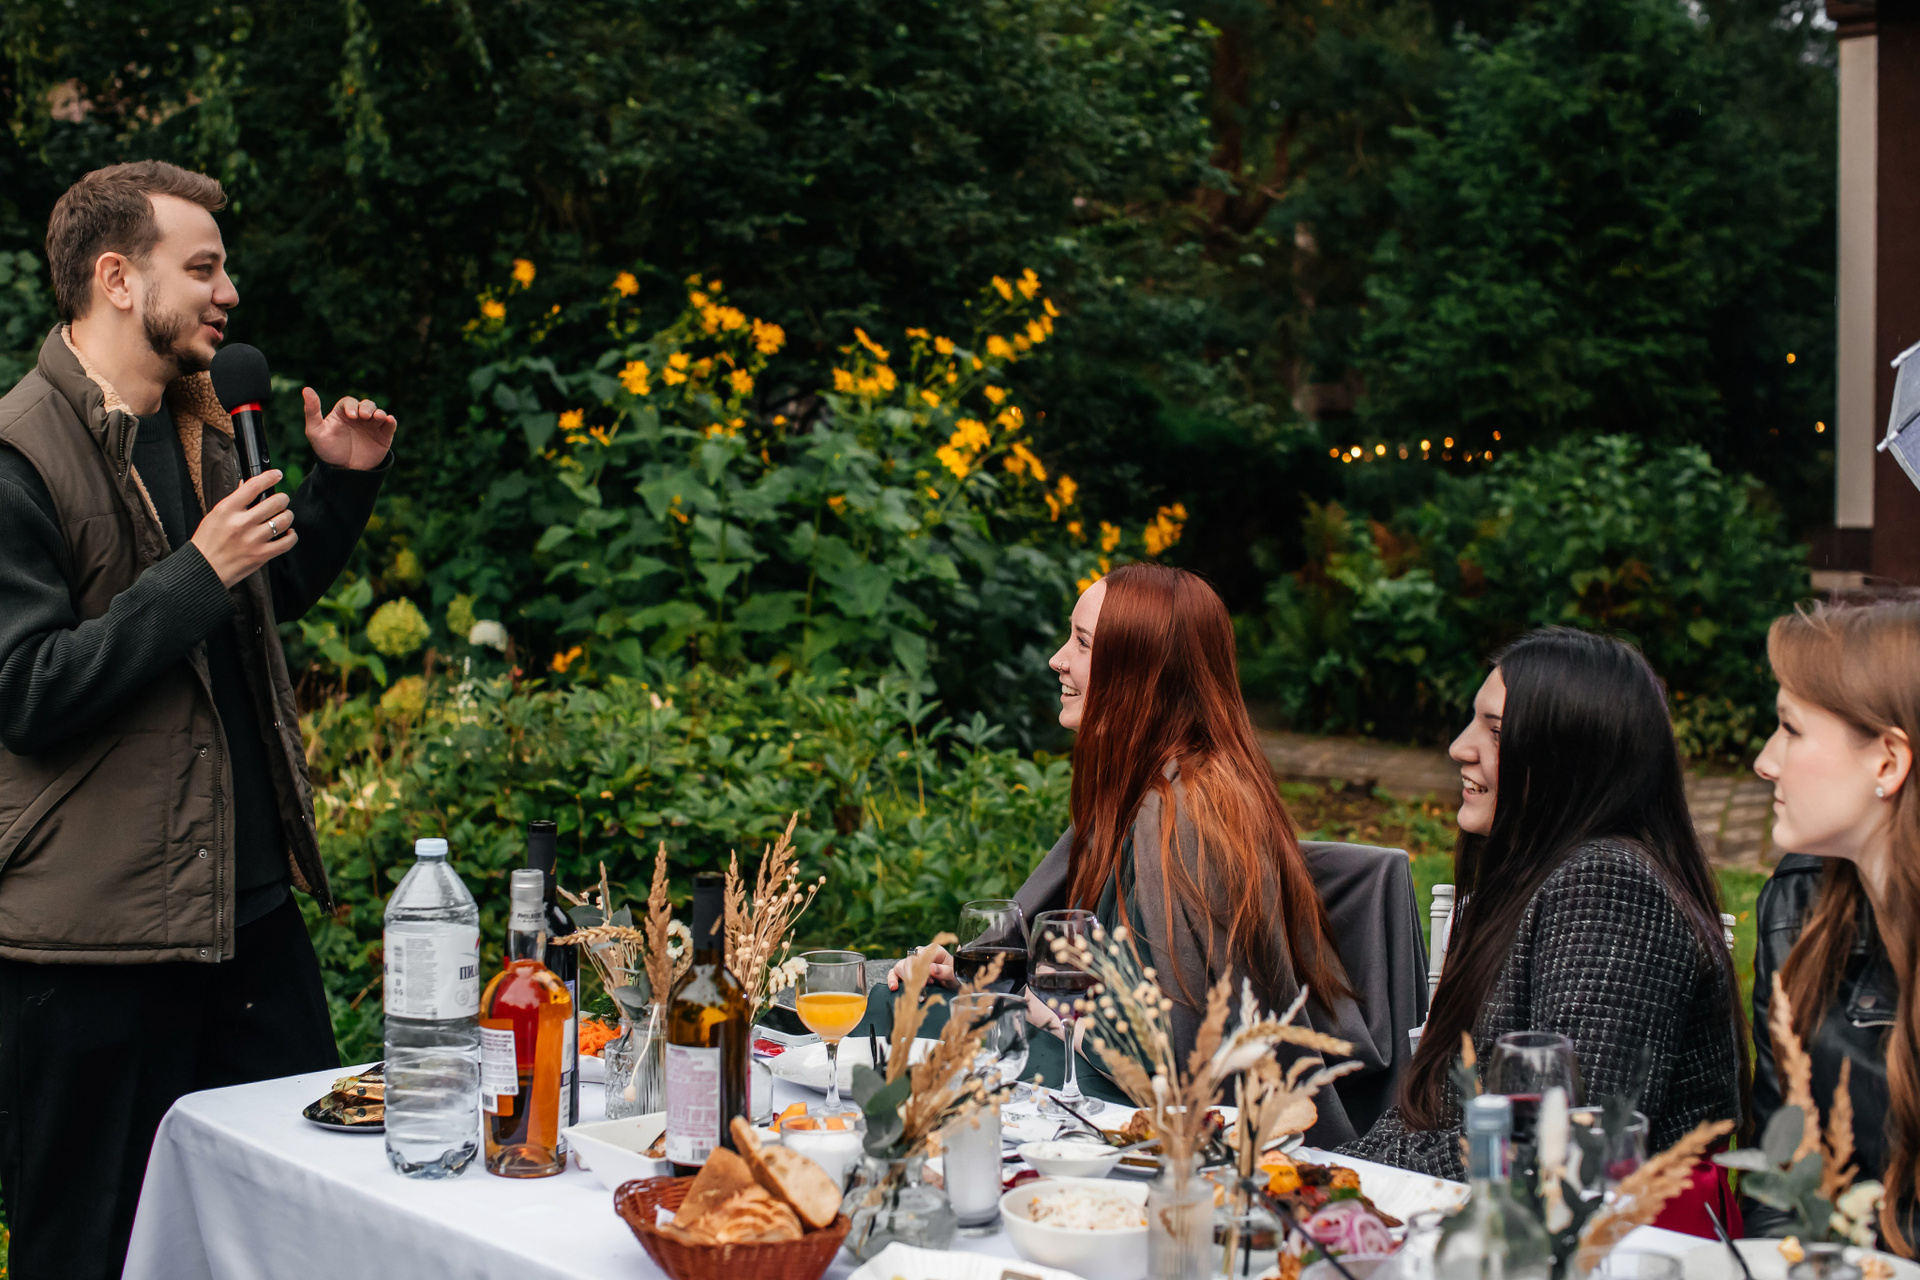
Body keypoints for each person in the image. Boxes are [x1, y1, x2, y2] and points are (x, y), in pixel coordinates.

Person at [0, 161, 396, 1280]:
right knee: (89, 1249)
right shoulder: (18, 453)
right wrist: (196, 571)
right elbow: (26, 690)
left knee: (297, 1223)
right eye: (205, 267)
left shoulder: (204, 426)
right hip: (92, 946)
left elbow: (259, 600)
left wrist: (340, 488)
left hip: (248, 917)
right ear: (118, 279)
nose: (230, 292)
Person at [888, 563, 1371, 1142]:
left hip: (1138, 1103)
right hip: (1093, 1055)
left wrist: (1027, 1007)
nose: (1058, 660)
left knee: (899, 1026)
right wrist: (979, 978)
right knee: (898, 1004)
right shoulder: (1146, 786)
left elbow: (1174, 1049)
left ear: (1143, 673)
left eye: (1082, 643)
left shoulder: (1185, 815)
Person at [1344, 628, 1745, 1221]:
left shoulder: (1610, 888)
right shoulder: (1538, 877)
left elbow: (1562, 1148)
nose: (1459, 747)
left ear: (1571, 759)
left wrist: (1343, 1181)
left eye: (1496, 732)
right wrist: (1328, 1177)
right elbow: (1434, 1115)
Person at [1750, 601, 1920, 1254]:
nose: (1765, 762)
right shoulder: (1795, 911)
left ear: (1887, 762)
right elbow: (1781, 1187)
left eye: (1791, 729)